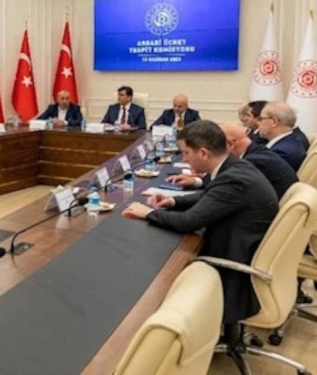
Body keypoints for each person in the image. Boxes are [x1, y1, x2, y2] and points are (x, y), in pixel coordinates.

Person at [123, 120, 278, 325]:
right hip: (241, 246)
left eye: (186, 153)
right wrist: (173, 201)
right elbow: (211, 195)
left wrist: (148, 213)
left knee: (157, 267)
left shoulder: (234, 178)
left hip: (233, 269)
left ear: (203, 153)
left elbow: (188, 222)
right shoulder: (235, 166)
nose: (184, 159)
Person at [169, 122, 298, 200]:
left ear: (230, 144)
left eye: (218, 143)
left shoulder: (253, 162)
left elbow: (222, 189)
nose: (215, 148)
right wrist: (196, 181)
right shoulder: (255, 152)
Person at [257, 101, 306, 171]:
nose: (258, 123)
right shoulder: (290, 142)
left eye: (260, 119)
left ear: (274, 121)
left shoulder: (280, 152)